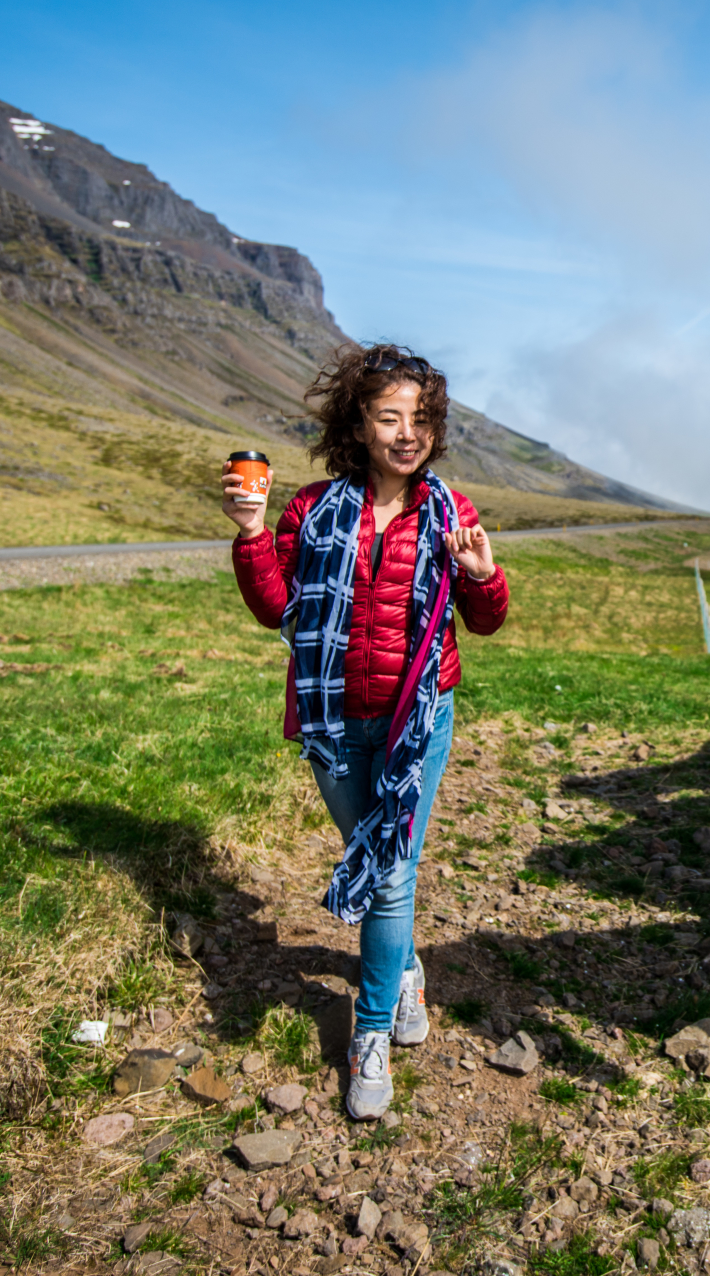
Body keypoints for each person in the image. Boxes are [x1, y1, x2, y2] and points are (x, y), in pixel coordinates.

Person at [222, 342, 509, 1120]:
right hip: (333, 721)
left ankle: (370, 1033)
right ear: (359, 422)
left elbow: (483, 621)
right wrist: (252, 530)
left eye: (421, 419)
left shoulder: (452, 513)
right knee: (380, 863)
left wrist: (484, 577)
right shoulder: (310, 510)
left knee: (388, 873)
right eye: (390, 417)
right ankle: (406, 968)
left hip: (420, 720)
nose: (407, 433)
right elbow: (276, 607)